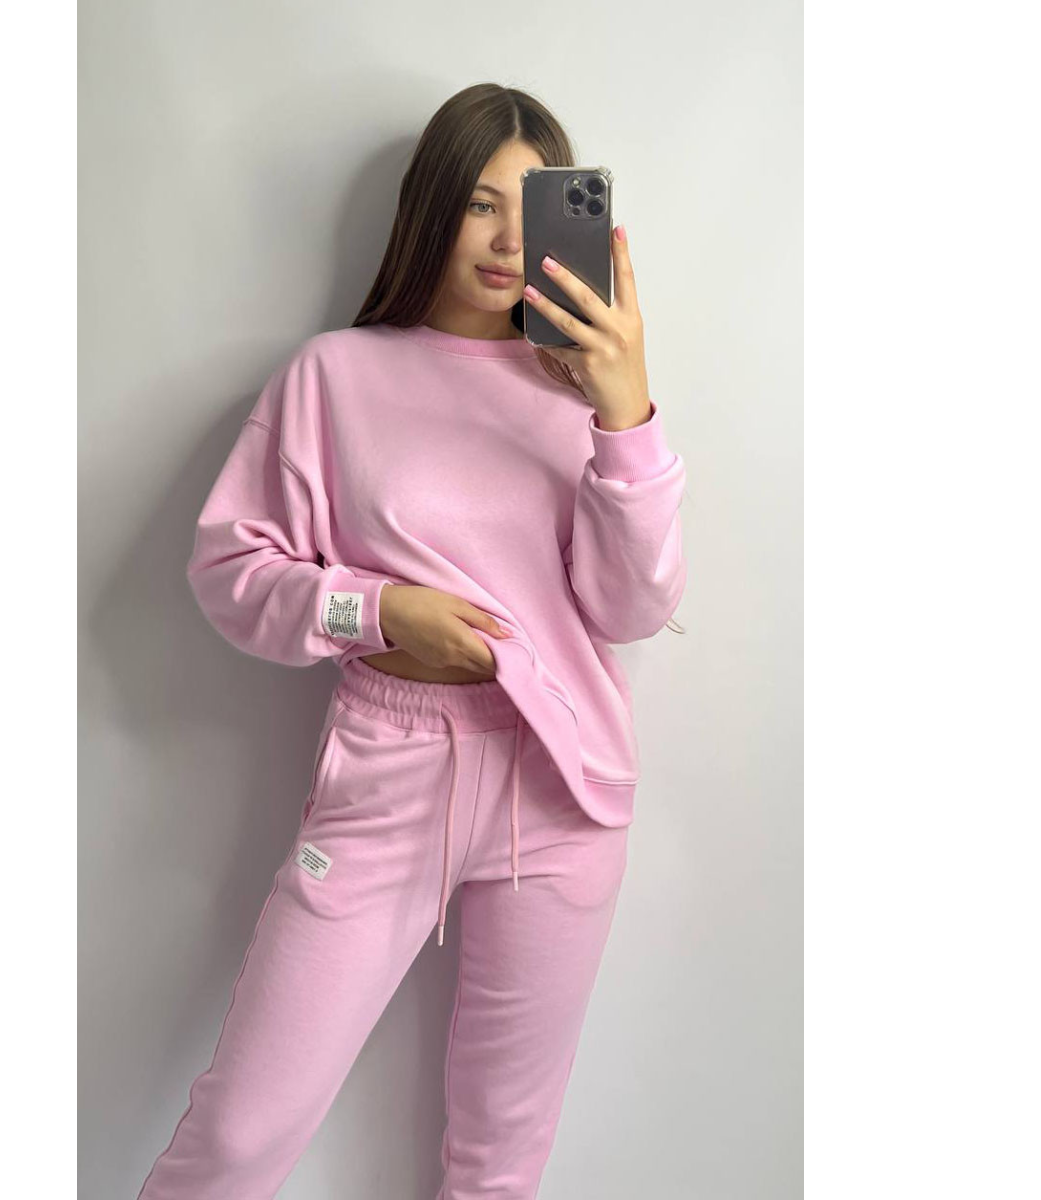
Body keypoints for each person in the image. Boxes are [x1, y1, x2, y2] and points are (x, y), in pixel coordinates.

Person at [136, 82, 687, 1200]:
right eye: (481, 204)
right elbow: (231, 571)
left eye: (533, 208)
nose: (508, 240)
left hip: (561, 792)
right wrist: (379, 611)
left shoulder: (578, 393)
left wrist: (626, 414)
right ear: (431, 206)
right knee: (240, 1136)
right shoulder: (334, 376)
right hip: (388, 775)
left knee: (498, 1164)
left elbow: (630, 609)